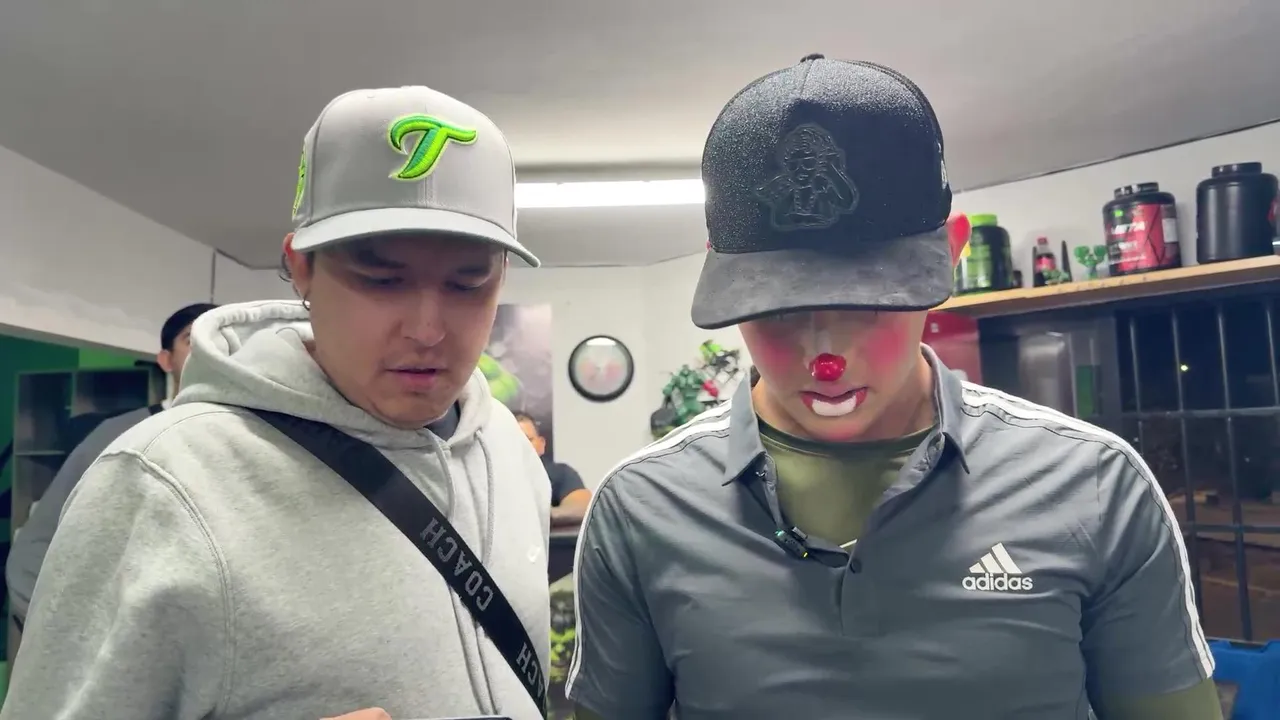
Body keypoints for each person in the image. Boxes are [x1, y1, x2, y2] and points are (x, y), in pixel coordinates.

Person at [567, 56, 1222, 720]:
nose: (824, 356)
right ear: (720, 272)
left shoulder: (1095, 488)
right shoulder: (641, 508)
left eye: (868, 302)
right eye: (777, 308)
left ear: (951, 254)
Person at [2, 86, 552, 720]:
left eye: (469, 282)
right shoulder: (161, 482)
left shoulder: (506, 448)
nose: (428, 329)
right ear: (301, 268)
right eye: (381, 279)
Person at [5, 302, 217, 626]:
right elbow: (36, 547)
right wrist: (69, 633)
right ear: (166, 360)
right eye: (192, 339)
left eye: (221, 338)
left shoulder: (252, 439)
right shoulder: (118, 435)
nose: (211, 348)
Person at [514, 411, 591, 528]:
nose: (521, 446)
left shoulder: (560, 473)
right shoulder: (489, 478)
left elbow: (583, 507)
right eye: (513, 441)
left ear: (541, 444)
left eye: (528, 440)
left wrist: (543, 516)